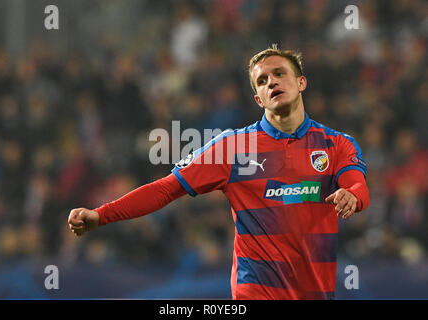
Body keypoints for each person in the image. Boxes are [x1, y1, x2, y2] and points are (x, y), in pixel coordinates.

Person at [68, 45, 370, 300]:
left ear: (301, 83)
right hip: (255, 291)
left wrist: (351, 196)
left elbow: (358, 186)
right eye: (262, 80)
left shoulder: (336, 144)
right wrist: (100, 215)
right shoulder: (231, 148)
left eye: (280, 74)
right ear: (258, 99)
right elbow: (165, 189)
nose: (271, 82)